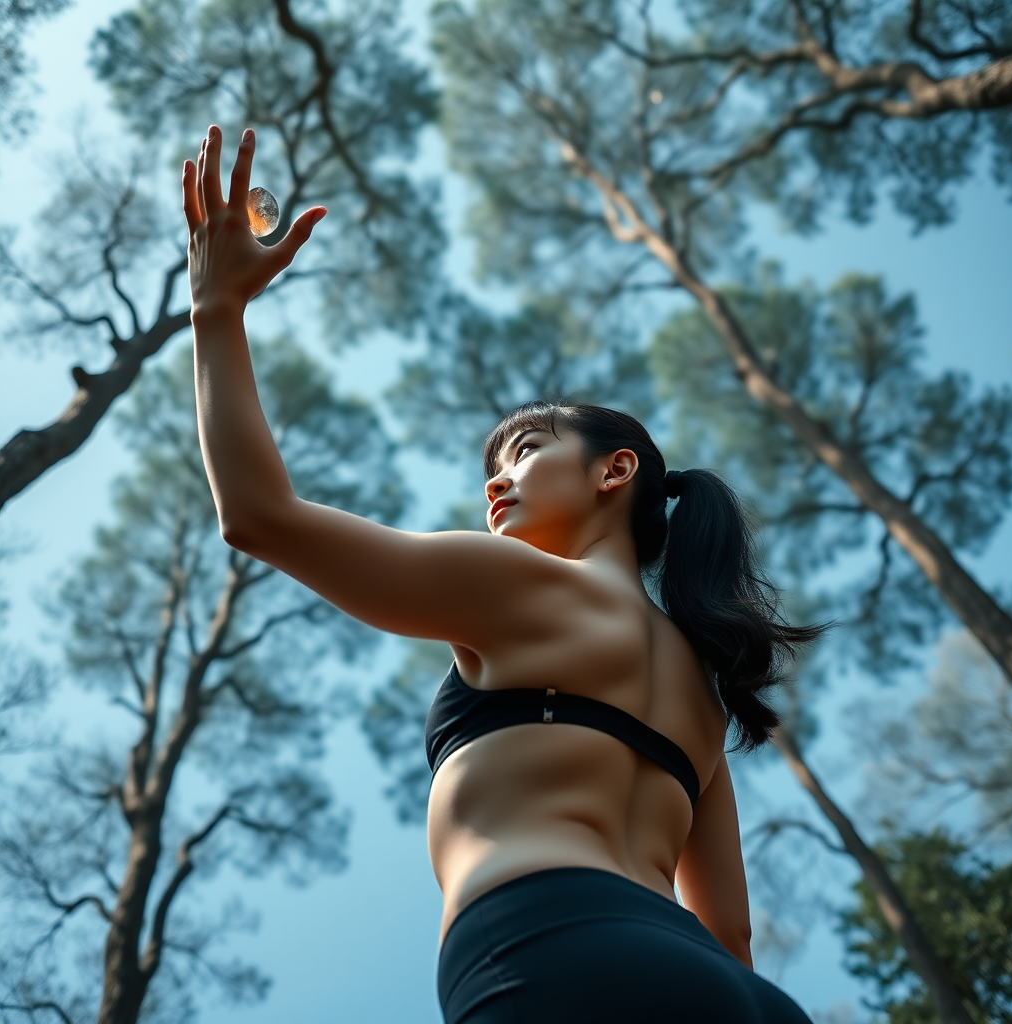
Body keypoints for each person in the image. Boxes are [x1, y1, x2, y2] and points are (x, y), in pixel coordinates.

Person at [184, 125, 825, 1024]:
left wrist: (216, 310)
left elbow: (257, 517)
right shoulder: (704, 699)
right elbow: (732, 941)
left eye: (525, 449)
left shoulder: (510, 583)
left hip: (551, 942)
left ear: (615, 471)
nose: (495, 477)